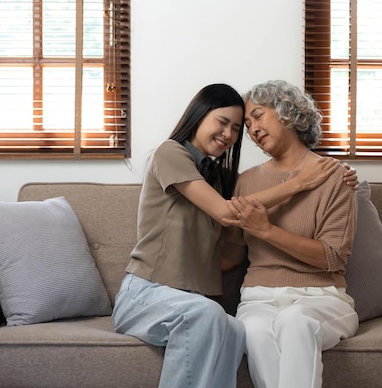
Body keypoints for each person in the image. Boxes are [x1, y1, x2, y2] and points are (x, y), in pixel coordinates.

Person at [111, 83, 356, 388]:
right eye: (224, 123)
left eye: (238, 127)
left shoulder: (224, 180)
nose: (232, 134)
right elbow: (228, 213)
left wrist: (342, 175)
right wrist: (299, 182)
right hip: (149, 291)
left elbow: (231, 253)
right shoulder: (170, 153)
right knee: (209, 314)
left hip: (193, 300)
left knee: (234, 329)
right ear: (199, 116)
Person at [221, 80, 359, 388]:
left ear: (288, 113)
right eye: (247, 124)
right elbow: (230, 254)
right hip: (257, 299)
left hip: (321, 298)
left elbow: (333, 257)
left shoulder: (334, 176)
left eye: (259, 115)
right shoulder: (245, 182)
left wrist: (266, 230)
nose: (252, 128)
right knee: (253, 331)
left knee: (294, 322)